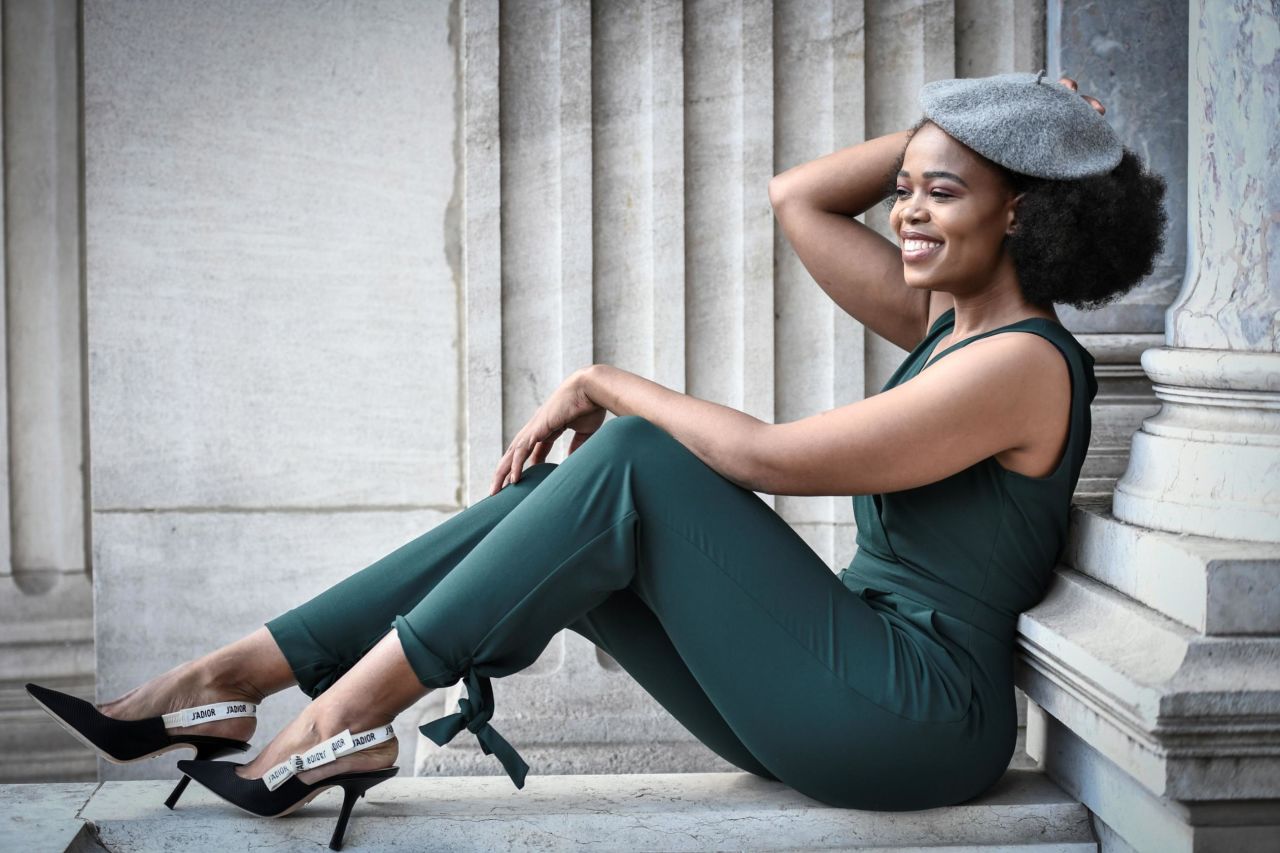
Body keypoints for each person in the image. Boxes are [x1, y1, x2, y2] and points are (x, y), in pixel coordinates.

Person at [27, 70, 1167, 851]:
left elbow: (767, 459)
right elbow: (797, 196)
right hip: (837, 680)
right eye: (907, 185)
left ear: (1021, 216)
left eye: (943, 192)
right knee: (570, 506)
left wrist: (599, 379)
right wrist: (988, 120)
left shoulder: (1018, 363)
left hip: (912, 717)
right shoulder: (946, 327)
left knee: (631, 454)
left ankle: (331, 721)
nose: (907, 212)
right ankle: (238, 679)